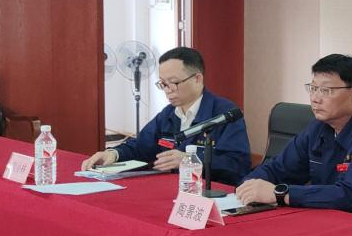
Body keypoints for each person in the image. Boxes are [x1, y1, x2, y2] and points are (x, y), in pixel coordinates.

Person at [235, 54, 352, 225]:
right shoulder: (318, 127)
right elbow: (277, 169)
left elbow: (350, 195)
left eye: (326, 90)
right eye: (313, 88)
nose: (315, 98)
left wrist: (280, 194)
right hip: (333, 222)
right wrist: (249, 185)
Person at [81, 47, 251, 184]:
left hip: (213, 193)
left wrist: (190, 160)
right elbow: (141, 146)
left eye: (174, 83)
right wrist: (113, 154)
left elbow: (237, 165)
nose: (167, 90)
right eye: (163, 84)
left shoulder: (225, 114)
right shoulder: (169, 114)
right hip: (173, 188)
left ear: (197, 79)